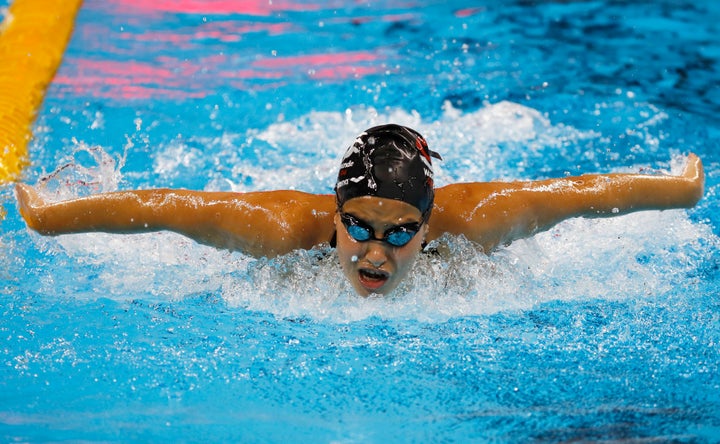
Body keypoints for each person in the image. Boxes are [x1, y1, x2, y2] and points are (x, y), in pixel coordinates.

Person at [15, 124, 705, 296]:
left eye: (402, 233)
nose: (375, 253)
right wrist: (49, 217)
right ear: (336, 215)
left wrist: (682, 189)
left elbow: (585, 194)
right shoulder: (286, 229)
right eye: (359, 229)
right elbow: (167, 209)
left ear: (429, 226)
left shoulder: (481, 218)